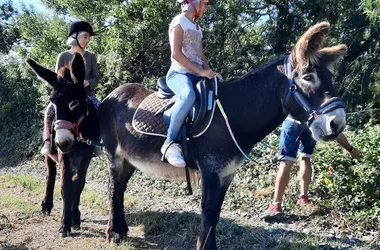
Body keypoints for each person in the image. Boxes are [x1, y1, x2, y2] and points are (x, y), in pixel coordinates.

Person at [261, 114, 360, 218]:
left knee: (286, 161)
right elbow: (335, 131)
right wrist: (351, 149)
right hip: (311, 125)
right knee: (305, 158)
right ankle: (303, 197)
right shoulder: (320, 100)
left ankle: (276, 205)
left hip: (292, 122)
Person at [161, 0, 215, 167]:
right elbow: (176, 54)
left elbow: (200, 56)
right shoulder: (178, 21)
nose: (205, 8)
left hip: (197, 74)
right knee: (188, 95)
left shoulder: (198, 28)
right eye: (204, 3)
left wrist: (210, 72)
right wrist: (200, 72)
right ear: (193, 2)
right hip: (178, 74)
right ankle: (169, 144)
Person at [41, 20, 99, 154]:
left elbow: (96, 78)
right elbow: (57, 80)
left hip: (86, 96)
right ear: (74, 36)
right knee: (49, 111)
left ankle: (96, 142)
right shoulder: (63, 56)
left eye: (88, 38)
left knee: (100, 109)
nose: (87, 40)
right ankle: (48, 141)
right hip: (65, 99)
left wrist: (88, 82)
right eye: (85, 36)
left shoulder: (91, 57)